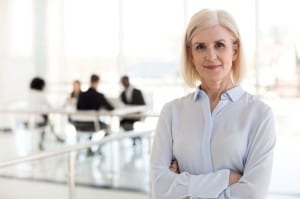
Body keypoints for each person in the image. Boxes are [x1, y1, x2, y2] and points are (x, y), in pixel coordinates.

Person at [150, 9, 276, 199]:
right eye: (200, 47)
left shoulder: (259, 114)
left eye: (219, 45)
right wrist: (226, 179)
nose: (210, 56)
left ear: (234, 50)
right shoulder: (171, 112)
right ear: (191, 54)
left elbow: (253, 193)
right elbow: (159, 187)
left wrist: (183, 188)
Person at [73, 74, 114, 155]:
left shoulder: (81, 95)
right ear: (97, 82)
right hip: (93, 125)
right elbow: (111, 108)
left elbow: (78, 109)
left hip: (79, 124)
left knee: (91, 127)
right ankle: (98, 149)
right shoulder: (99, 96)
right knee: (108, 128)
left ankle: (90, 148)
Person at [28, 77, 64, 150]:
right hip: (39, 120)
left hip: (31, 119)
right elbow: (50, 106)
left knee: (48, 121)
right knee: (49, 122)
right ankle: (56, 136)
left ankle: (55, 136)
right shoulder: (40, 94)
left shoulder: (30, 94)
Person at [119, 75, 146, 145]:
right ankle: (136, 138)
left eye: (124, 82)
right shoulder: (122, 94)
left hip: (136, 114)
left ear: (128, 81)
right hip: (127, 115)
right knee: (122, 123)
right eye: (122, 82)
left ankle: (135, 139)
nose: (123, 84)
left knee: (126, 124)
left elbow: (143, 104)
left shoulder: (137, 92)